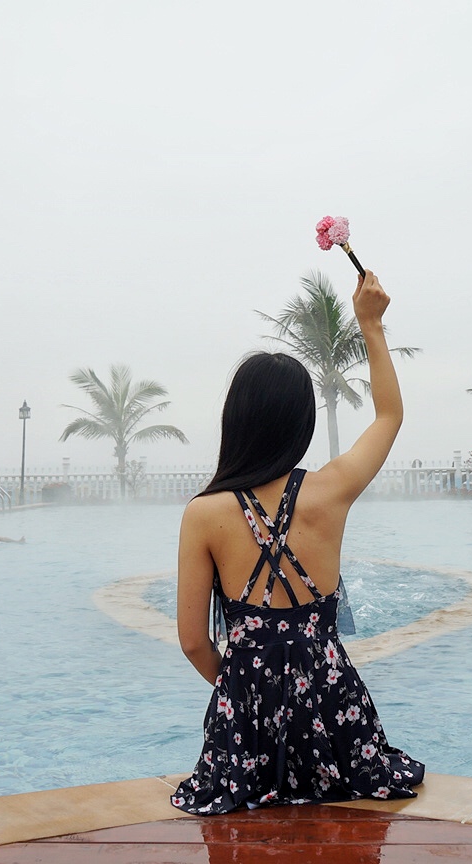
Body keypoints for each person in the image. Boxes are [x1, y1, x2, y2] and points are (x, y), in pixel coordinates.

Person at [171, 271, 423, 815]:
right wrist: (371, 326)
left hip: (247, 730)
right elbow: (389, 415)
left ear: (235, 420)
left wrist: (244, 693)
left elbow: (194, 642)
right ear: (301, 422)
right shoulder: (330, 491)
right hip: (336, 717)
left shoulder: (203, 514)